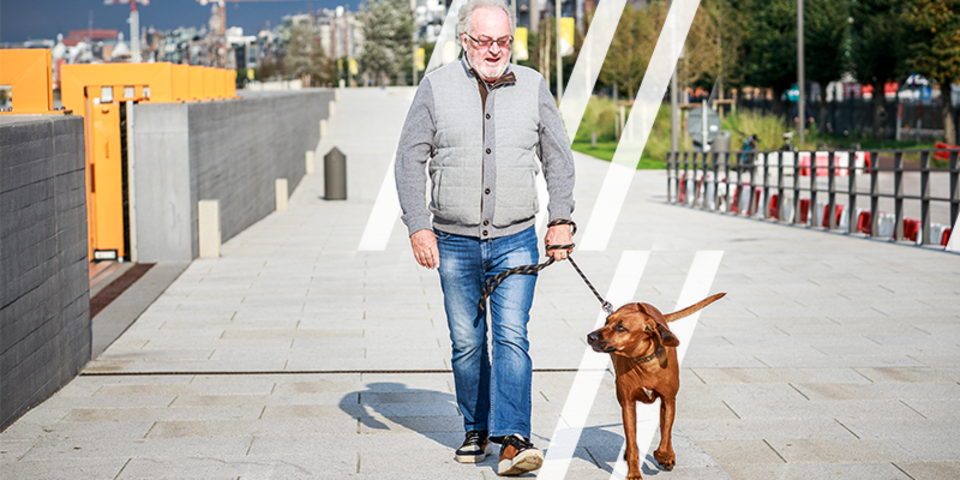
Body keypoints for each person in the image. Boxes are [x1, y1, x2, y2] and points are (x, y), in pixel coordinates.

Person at [394, 0, 575, 475]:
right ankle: (476, 427)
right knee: (467, 343)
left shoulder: (533, 85)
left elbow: (558, 157)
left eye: (502, 41)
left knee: (512, 337)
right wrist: (418, 224)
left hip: (516, 238)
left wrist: (561, 219)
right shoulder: (435, 87)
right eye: (484, 41)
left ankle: (514, 438)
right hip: (453, 241)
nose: (494, 50)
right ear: (464, 41)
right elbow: (408, 159)